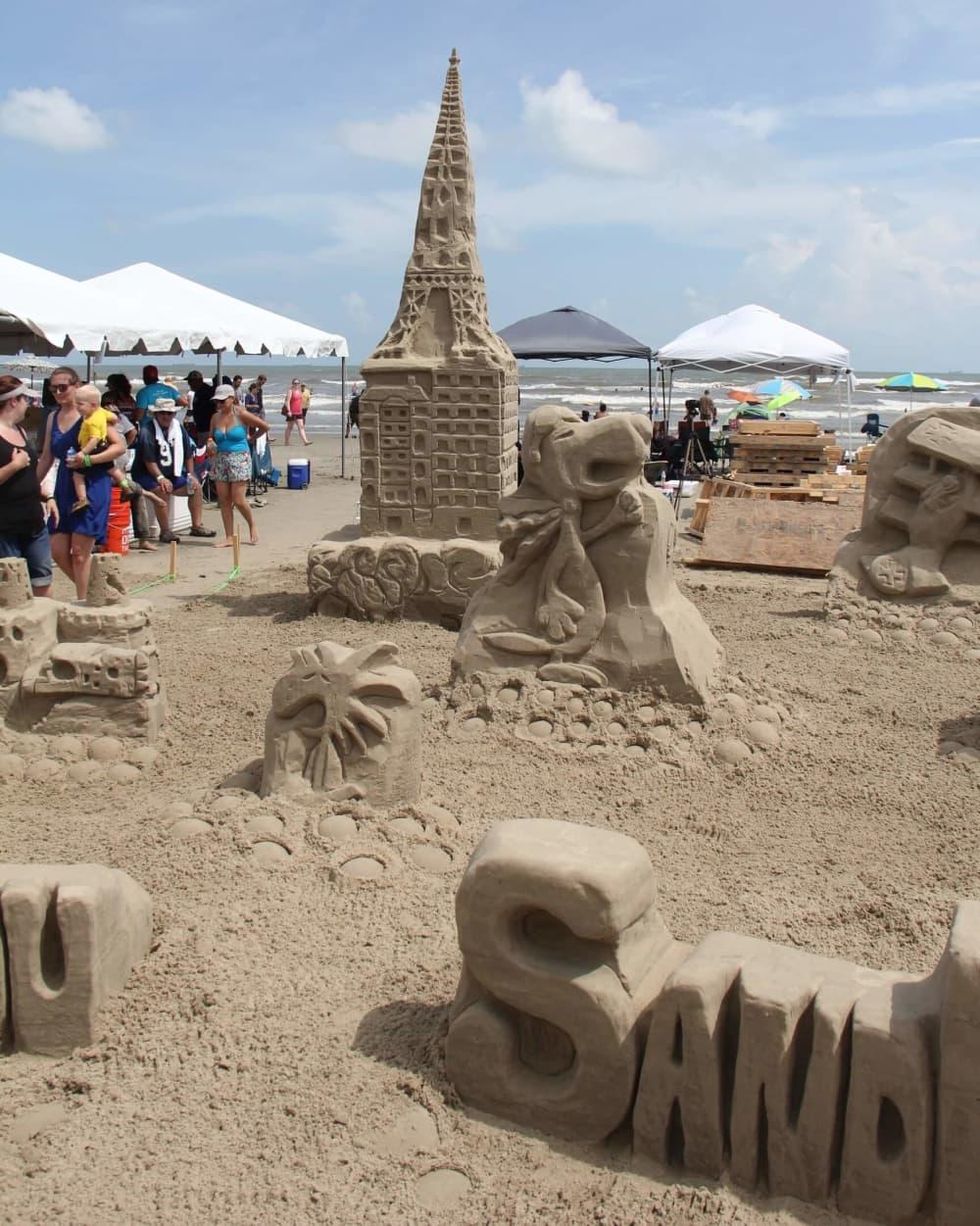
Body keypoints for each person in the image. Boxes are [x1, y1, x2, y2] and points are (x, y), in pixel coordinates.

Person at [37, 371, 127, 602]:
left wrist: (88, 459)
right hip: (64, 485)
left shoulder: (92, 413)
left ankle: (86, 602)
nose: (58, 392)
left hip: (92, 483)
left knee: (79, 553)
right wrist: (31, 485)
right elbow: (47, 456)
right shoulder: (51, 417)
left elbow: (119, 447)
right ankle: (98, 593)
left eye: (63, 387)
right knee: (57, 549)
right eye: (53, 388)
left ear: (76, 386)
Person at [0, 376, 54, 597]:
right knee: (12, 585)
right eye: (26, 400)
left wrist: (46, 497)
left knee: (43, 579)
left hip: (33, 519)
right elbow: (19, 468)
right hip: (5, 525)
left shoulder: (21, 431)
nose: (29, 405)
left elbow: (29, 475)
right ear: (14, 401)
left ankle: (45, 629)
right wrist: (14, 465)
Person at [131, 401, 215, 543]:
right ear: (156, 414)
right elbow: (148, 460)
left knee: (195, 487)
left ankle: (196, 526)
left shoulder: (178, 428)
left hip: (173, 473)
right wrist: (160, 477)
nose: (166, 416)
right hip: (146, 474)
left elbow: (188, 454)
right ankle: (165, 531)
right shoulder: (147, 430)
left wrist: (190, 475)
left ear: (174, 414)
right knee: (162, 489)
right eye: (162, 413)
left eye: (169, 413)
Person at [206, 384, 268, 547]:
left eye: (222, 401)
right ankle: (229, 536)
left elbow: (264, 426)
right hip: (221, 459)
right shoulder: (215, 417)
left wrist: (252, 438)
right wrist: (210, 444)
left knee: (238, 499)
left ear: (232, 399)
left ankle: (252, 524)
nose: (219, 404)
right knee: (224, 500)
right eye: (217, 402)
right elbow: (211, 437)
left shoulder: (240, 413)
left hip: (240, 457)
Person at [186, 370, 217, 443]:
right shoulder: (198, 392)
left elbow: (208, 410)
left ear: (198, 381)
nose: (189, 384)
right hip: (201, 428)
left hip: (207, 429)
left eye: (191, 381)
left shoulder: (207, 392)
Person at [282, 377, 310, 446]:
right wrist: (288, 411)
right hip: (292, 412)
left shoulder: (300, 391)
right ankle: (286, 442)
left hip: (299, 411)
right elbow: (287, 401)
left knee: (301, 426)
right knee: (290, 427)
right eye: (295, 383)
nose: (296, 384)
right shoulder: (290, 391)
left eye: (297, 383)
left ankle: (305, 441)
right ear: (292, 384)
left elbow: (301, 400)